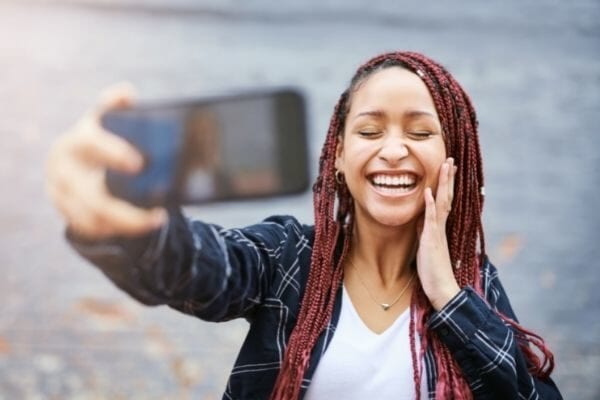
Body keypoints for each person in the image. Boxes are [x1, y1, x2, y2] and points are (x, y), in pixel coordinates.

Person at [46, 51, 563, 399]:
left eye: (420, 131)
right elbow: (201, 270)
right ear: (338, 156)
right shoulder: (290, 256)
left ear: (454, 161)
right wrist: (130, 227)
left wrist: (450, 298)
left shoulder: (472, 282)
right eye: (370, 129)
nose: (393, 149)